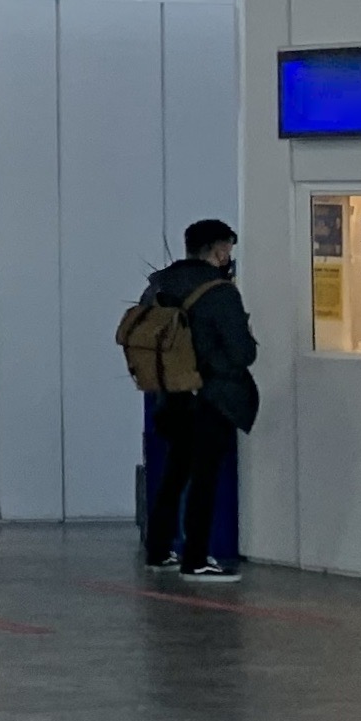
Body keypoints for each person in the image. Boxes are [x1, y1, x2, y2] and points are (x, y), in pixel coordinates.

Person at [140, 218, 258, 583]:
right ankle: (196, 559)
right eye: (228, 251)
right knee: (205, 478)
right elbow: (242, 353)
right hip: (211, 397)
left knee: (175, 473)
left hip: (170, 393)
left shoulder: (159, 284)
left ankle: (159, 550)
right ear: (220, 250)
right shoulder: (220, 293)